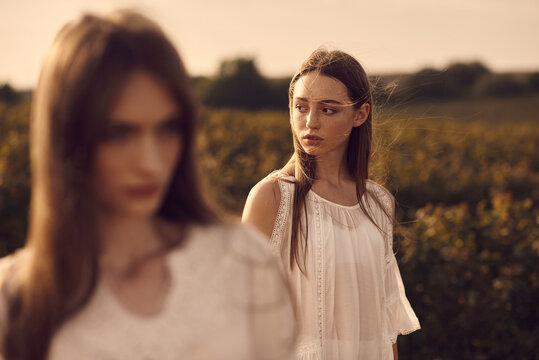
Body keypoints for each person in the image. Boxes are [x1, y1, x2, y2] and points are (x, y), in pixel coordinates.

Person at [0, 10, 295, 360]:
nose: (151, 163)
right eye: (119, 133)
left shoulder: (243, 261)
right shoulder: (17, 300)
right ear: (67, 139)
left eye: (168, 128)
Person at [242, 49, 420, 360]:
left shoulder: (378, 203)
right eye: (301, 107)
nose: (310, 121)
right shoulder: (272, 198)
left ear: (360, 114)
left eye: (328, 110)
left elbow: (386, 322)